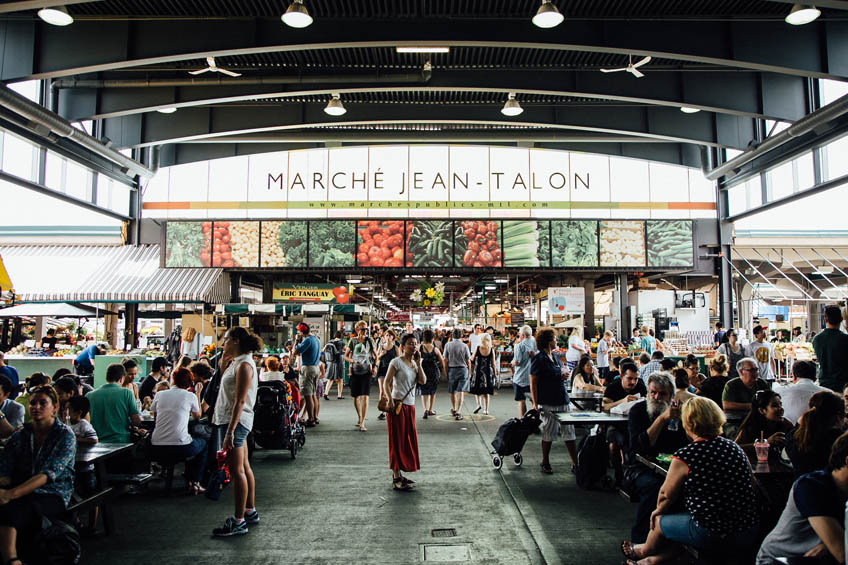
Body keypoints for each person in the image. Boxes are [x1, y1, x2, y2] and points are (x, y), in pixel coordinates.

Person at [621, 397, 759, 564]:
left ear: (689, 423)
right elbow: (752, 484)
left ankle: (643, 550)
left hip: (711, 532)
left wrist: (658, 512)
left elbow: (665, 495)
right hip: (747, 530)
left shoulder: (686, 455)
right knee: (684, 524)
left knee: (661, 521)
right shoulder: (735, 448)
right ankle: (655, 560)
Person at [0, 385, 76, 565]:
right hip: (21, 486)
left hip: (53, 492)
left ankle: (12, 559)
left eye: (43, 403)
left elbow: (48, 474)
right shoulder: (21, 435)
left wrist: (10, 494)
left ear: (55, 407)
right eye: (33, 403)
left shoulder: (65, 435)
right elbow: (6, 467)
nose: (36, 407)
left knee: (13, 508)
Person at [757, 431, 848, 563]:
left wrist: (828, 546)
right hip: (776, 560)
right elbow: (843, 554)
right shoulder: (812, 487)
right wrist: (832, 545)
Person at [625, 371, 688, 543]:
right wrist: (662, 419)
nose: (657, 397)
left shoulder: (680, 413)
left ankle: (676, 539)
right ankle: (640, 540)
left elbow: (687, 443)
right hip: (640, 467)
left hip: (673, 467)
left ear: (671, 396)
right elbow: (639, 447)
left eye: (662, 393)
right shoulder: (638, 411)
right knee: (656, 488)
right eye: (653, 392)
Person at [211, 327, 261, 537]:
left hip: (236, 421)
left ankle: (239, 520)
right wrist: (224, 360)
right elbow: (226, 385)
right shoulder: (238, 362)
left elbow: (240, 400)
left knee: (236, 470)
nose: (223, 343)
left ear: (236, 341)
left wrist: (230, 431)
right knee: (244, 466)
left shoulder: (244, 366)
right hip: (232, 419)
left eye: (226, 340)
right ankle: (249, 510)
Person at [151, 367, 206, 495]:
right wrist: (197, 394)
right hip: (181, 447)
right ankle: (195, 482)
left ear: (173, 380)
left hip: (156, 446)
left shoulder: (159, 394)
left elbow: (156, 417)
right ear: (189, 382)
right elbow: (198, 416)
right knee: (202, 445)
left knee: (190, 442)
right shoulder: (190, 396)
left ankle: (185, 478)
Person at [382, 333, 426, 491]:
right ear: (402, 346)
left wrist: (419, 363)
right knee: (396, 441)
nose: (413, 346)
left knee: (407, 440)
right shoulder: (396, 362)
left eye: (415, 343)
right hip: (397, 407)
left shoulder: (414, 364)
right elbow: (386, 383)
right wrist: (390, 399)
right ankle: (396, 477)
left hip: (410, 406)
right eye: (410, 344)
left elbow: (423, 381)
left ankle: (400, 473)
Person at [530, 328, 577, 475]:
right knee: (549, 432)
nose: (557, 341)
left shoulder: (556, 357)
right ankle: (545, 461)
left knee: (569, 431)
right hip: (548, 401)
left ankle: (576, 463)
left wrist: (564, 375)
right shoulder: (539, 359)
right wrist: (535, 403)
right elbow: (533, 382)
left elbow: (560, 372)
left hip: (562, 398)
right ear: (549, 341)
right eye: (555, 338)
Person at [602, 362, 647, 483]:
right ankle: (618, 474)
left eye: (636, 379)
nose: (633, 382)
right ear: (622, 377)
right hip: (616, 425)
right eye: (630, 378)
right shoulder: (613, 387)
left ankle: (635, 473)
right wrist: (623, 401)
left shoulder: (641, 387)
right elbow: (604, 406)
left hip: (634, 426)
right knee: (613, 443)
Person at [785, 391, 845, 478]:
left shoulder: (795, 438)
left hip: (801, 489)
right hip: (832, 489)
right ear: (838, 417)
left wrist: (798, 424)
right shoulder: (840, 441)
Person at [87, 363, 144, 443]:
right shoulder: (126, 393)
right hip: (120, 441)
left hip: (97, 442)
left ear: (106, 377)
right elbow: (136, 421)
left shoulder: (90, 395)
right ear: (121, 378)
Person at [734, 390, 793, 457]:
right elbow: (734, 448)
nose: (781, 409)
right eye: (775, 406)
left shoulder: (786, 424)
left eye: (780, 404)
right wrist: (765, 443)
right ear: (762, 410)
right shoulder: (752, 426)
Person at [772, 360, 828, 425]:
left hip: (789, 433)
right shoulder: (829, 393)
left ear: (794, 377)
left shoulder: (778, 392)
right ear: (815, 378)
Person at [346, 321, 377, 432]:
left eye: (365, 329)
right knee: (355, 397)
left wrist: (374, 366)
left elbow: (376, 355)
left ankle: (363, 421)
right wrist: (353, 361)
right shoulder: (352, 341)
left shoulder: (370, 340)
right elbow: (345, 356)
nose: (364, 331)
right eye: (362, 328)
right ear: (357, 329)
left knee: (365, 396)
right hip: (355, 371)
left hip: (366, 372)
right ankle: (359, 416)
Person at [813, 305, 848, 392]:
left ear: (825, 320)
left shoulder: (817, 339)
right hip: (842, 384)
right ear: (841, 319)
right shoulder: (845, 339)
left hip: (824, 382)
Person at [293, 322, 321, 427]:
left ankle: (311, 419)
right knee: (313, 394)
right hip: (316, 368)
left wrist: (296, 340)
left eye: (298, 331)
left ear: (301, 332)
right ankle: (314, 416)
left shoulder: (307, 340)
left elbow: (295, 352)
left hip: (308, 368)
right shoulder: (316, 339)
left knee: (308, 395)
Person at [417, 329, 445, 420]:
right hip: (433, 372)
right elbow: (442, 361)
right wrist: (443, 371)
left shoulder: (419, 348)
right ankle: (430, 409)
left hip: (422, 371)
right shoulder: (435, 349)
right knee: (433, 391)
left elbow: (414, 359)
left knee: (424, 391)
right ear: (433, 338)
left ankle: (425, 410)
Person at [444, 328, 472, 421]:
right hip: (463, 369)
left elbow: (445, 359)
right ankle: (458, 411)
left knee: (452, 391)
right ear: (461, 336)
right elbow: (468, 360)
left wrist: (445, 370)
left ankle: (454, 408)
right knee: (461, 391)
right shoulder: (464, 346)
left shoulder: (448, 345)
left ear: (452, 335)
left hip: (452, 369)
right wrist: (470, 372)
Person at [511, 325, 537, 417]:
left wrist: (512, 362)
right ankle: (535, 420)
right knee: (534, 399)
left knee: (521, 400)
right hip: (533, 376)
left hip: (520, 377)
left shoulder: (519, 346)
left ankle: (523, 421)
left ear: (522, 335)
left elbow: (517, 362)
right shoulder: (535, 342)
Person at [375, 330, 400, 422]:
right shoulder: (381, 346)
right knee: (382, 391)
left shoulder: (395, 348)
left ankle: (390, 408)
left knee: (390, 390)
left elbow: (399, 359)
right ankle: (382, 411)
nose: (388, 337)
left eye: (390, 335)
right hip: (382, 369)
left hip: (392, 371)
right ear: (384, 337)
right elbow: (376, 357)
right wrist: (381, 354)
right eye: (386, 335)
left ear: (393, 337)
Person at [469, 333, 496, 415]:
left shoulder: (478, 348)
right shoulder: (491, 350)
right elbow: (493, 363)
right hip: (487, 371)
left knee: (477, 390)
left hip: (478, 371)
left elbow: (472, 358)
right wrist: (495, 374)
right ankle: (486, 410)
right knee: (486, 391)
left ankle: (478, 405)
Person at [323, 331, 346, 400]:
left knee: (330, 378)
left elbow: (323, 350)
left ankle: (326, 393)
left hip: (331, 362)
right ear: (341, 336)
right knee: (340, 378)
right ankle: (339, 395)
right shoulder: (341, 343)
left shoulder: (329, 342)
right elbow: (345, 350)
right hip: (339, 361)